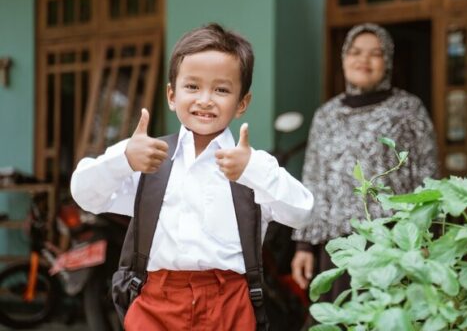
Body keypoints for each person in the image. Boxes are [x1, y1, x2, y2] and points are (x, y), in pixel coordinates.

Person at [70, 23, 314, 331]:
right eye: (192, 86)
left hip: (229, 302)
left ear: (242, 103)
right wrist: (124, 160)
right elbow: (84, 194)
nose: (205, 99)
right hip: (155, 302)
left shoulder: (252, 164)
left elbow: (303, 213)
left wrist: (252, 170)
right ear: (172, 95)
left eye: (221, 89)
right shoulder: (147, 155)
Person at [291, 23, 439, 301]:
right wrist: (303, 246)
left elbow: (427, 176)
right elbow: (313, 180)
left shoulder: (407, 109)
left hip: (391, 241)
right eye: (356, 52)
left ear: (388, 61)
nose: (364, 60)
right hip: (336, 245)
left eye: (375, 53)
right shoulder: (327, 115)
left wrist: (426, 237)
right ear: (344, 58)